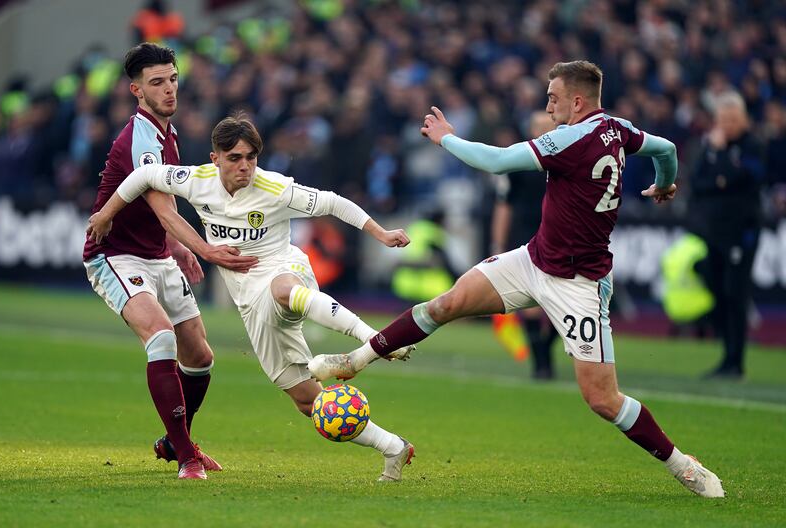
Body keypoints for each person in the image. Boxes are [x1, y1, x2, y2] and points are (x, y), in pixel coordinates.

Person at [309, 60, 725, 498]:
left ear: (578, 101)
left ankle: (684, 466)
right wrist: (665, 185)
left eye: (553, 97)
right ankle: (355, 361)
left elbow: (498, 161)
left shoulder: (571, 137)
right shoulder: (620, 129)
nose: (547, 105)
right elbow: (668, 151)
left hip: (579, 283)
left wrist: (445, 138)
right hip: (534, 259)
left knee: (603, 400)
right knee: (446, 304)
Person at [87, 113, 417, 482]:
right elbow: (143, 176)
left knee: (285, 291)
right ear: (215, 160)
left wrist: (382, 233)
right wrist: (105, 213)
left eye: (251, 158)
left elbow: (334, 203)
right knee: (312, 403)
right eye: (234, 158)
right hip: (250, 303)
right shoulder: (196, 180)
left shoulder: (275, 189)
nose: (245, 166)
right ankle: (393, 447)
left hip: (281, 265)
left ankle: (371, 341)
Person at [82, 43, 257, 479]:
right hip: (116, 255)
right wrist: (205, 250)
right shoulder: (141, 138)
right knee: (160, 336)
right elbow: (163, 210)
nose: (169, 90)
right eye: (157, 83)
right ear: (137, 91)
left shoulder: (169, 133)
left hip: (158, 254)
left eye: (173, 79)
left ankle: (172, 439)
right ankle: (186, 455)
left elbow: (162, 211)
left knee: (199, 356)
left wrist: (176, 248)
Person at [689, 92, 764, 380]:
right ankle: (727, 355)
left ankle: (735, 361)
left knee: (736, 292)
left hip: (742, 232)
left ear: (743, 119)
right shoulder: (709, 146)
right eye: (723, 120)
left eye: (733, 119)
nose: (728, 125)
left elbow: (747, 178)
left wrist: (721, 162)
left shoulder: (751, 144)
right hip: (715, 232)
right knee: (715, 287)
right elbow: (699, 183)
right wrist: (722, 177)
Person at [489, 113, 558, 379]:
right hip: (524, 235)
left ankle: (544, 347)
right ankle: (540, 361)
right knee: (530, 299)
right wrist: (498, 242)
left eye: (546, 127)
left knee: (556, 300)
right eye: (536, 127)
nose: (541, 132)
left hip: (557, 236)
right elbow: (503, 205)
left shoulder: (566, 160)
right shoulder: (518, 162)